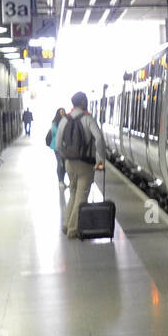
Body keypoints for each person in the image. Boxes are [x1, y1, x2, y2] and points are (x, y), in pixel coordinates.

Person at [56, 92, 106, 238]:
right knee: (81, 196)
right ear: (83, 102)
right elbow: (99, 139)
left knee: (72, 193)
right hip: (85, 164)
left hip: (69, 164)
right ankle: (73, 229)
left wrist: (65, 157)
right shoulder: (88, 119)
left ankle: (66, 223)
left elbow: (58, 144)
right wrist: (100, 159)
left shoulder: (64, 120)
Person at [47, 107, 68, 185]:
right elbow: (55, 131)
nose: (62, 113)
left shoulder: (67, 121)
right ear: (58, 113)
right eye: (61, 112)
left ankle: (62, 180)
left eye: (63, 112)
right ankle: (60, 181)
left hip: (65, 146)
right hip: (56, 146)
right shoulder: (54, 122)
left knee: (65, 164)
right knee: (60, 163)